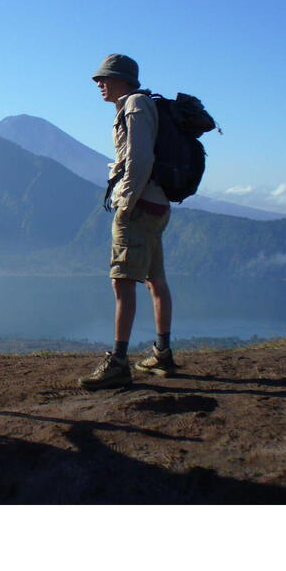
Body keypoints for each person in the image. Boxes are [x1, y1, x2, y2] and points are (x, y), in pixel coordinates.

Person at [79, 54, 177, 390]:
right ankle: (161, 353)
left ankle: (118, 363)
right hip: (157, 204)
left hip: (138, 206)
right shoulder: (143, 103)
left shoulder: (134, 105)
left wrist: (126, 201)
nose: (99, 84)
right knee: (155, 279)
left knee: (122, 281)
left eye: (104, 78)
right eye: (97, 79)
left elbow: (140, 157)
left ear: (123, 79)